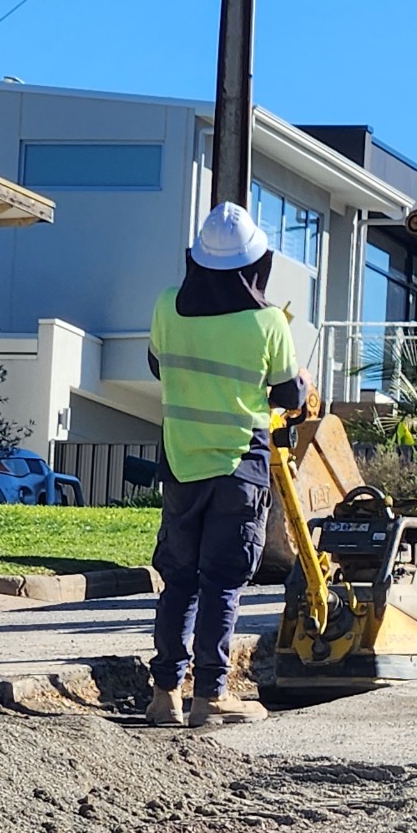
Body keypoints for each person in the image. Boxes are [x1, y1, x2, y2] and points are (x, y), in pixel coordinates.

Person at [143, 200, 308, 731]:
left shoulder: (167, 306)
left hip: (182, 466)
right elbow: (288, 393)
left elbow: (156, 364)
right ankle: (210, 696)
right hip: (240, 467)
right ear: (255, 267)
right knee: (221, 583)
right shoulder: (267, 323)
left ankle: (164, 695)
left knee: (179, 581)